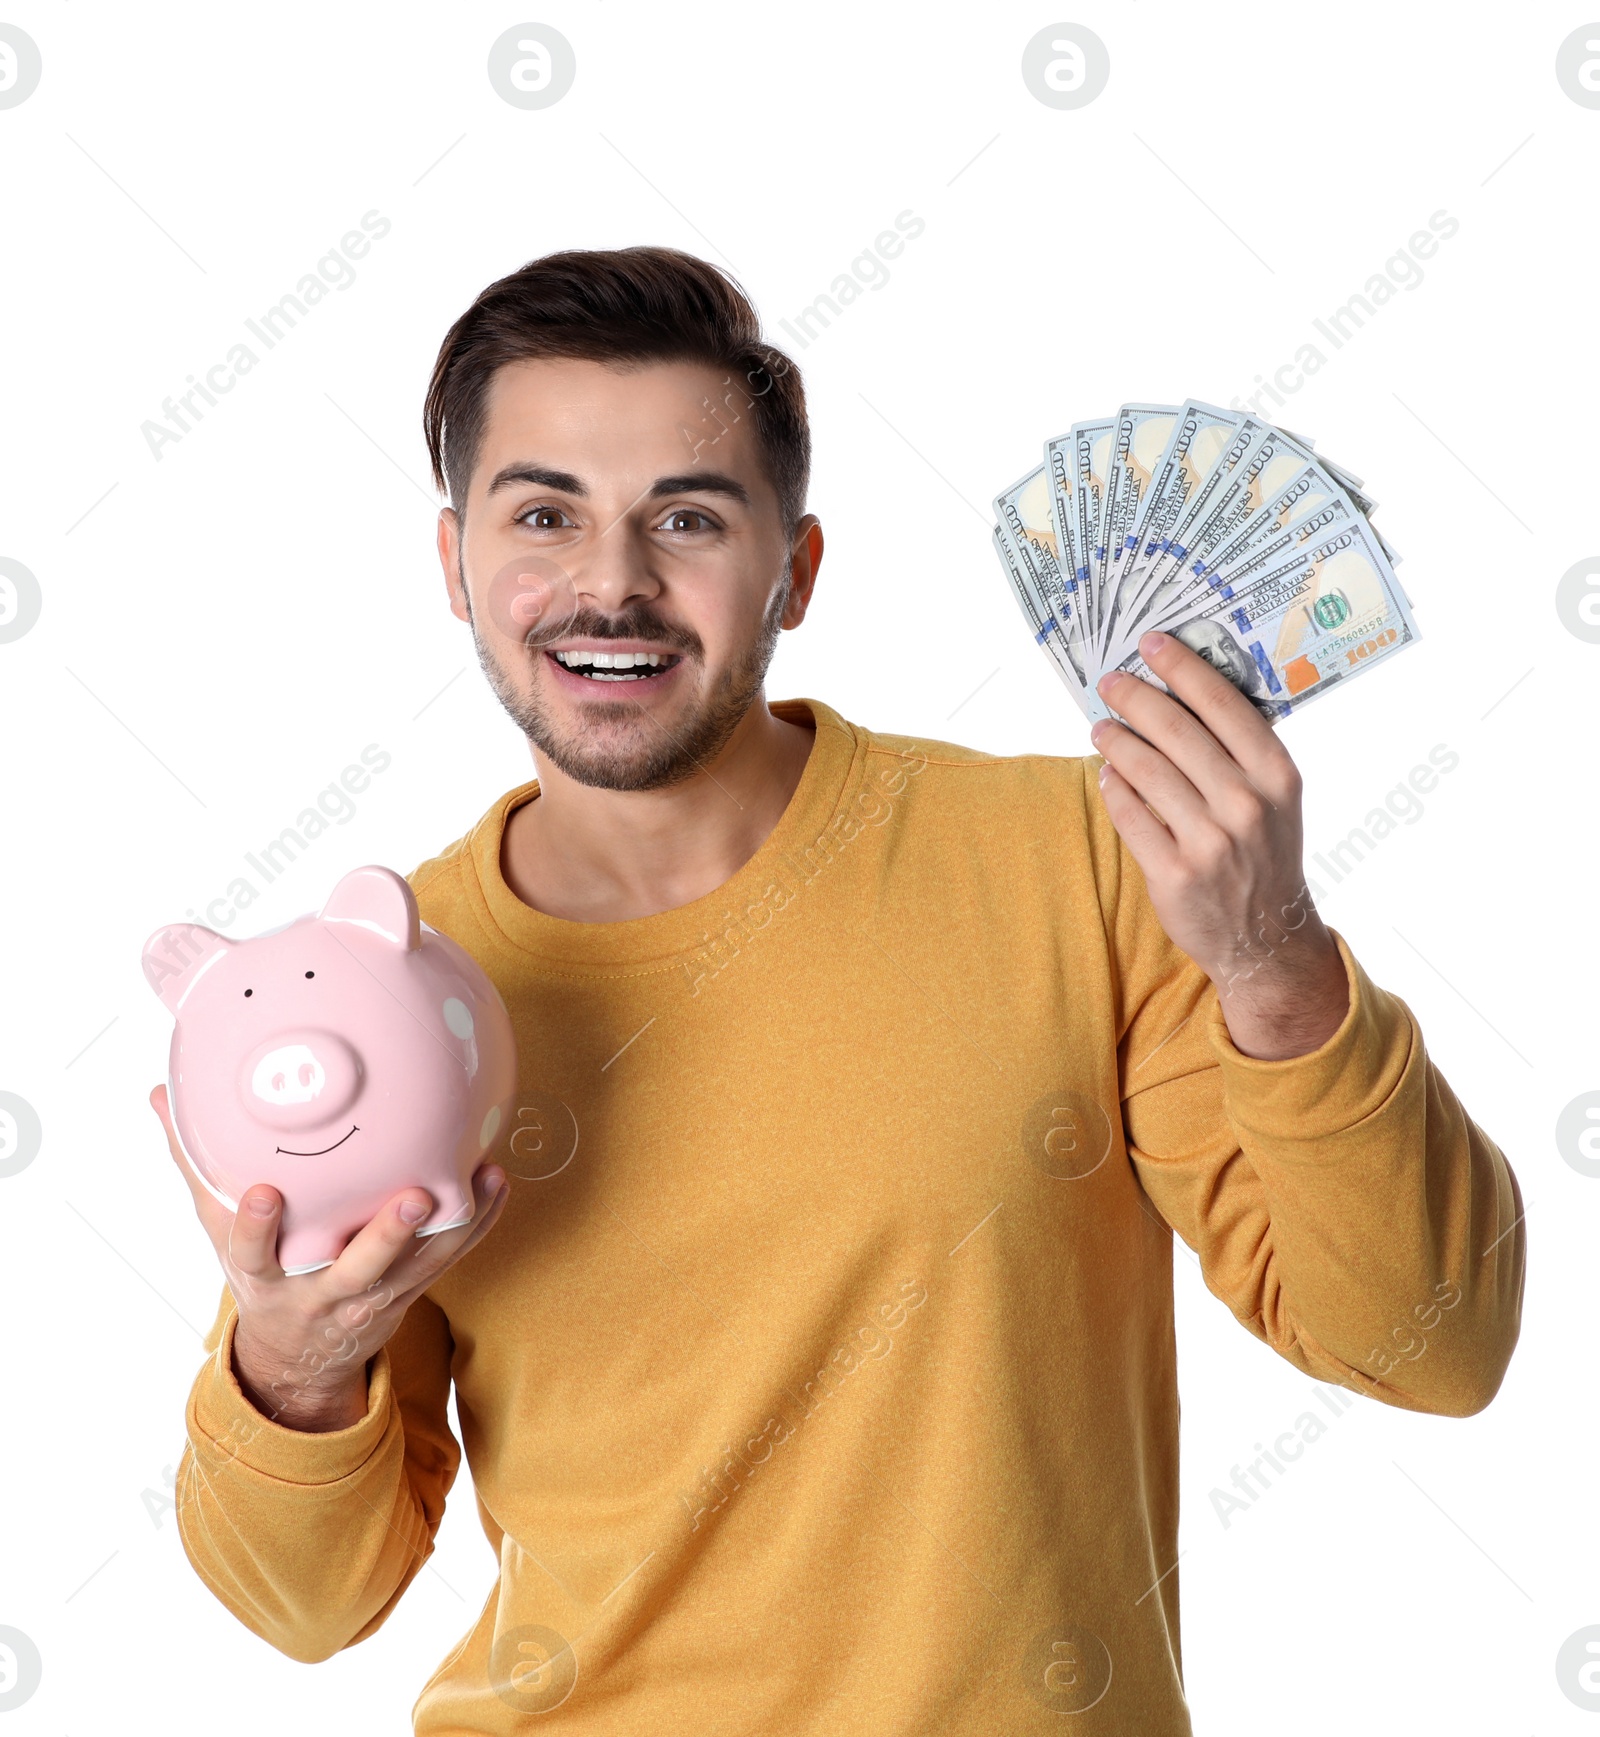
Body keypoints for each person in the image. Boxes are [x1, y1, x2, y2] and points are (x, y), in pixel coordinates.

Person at [152, 247, 1525, 1735]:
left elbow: (1431, 1342)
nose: (611, 581)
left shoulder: (1080, 858)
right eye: (543, 514)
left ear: (796, 571)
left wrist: (1274, 959)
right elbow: (303, 1607)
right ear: (454, 562)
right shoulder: (396, 999)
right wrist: (290, 1360)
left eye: (687, 518)